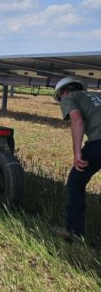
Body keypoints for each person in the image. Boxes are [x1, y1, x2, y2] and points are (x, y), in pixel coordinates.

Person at [54, 76, 101, 240]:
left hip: (98, 142)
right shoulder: (97, 96)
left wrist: (77, 153)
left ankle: (74, 231)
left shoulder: (69, 97)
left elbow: (77, 120)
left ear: (63, 92)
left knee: (76, 182)